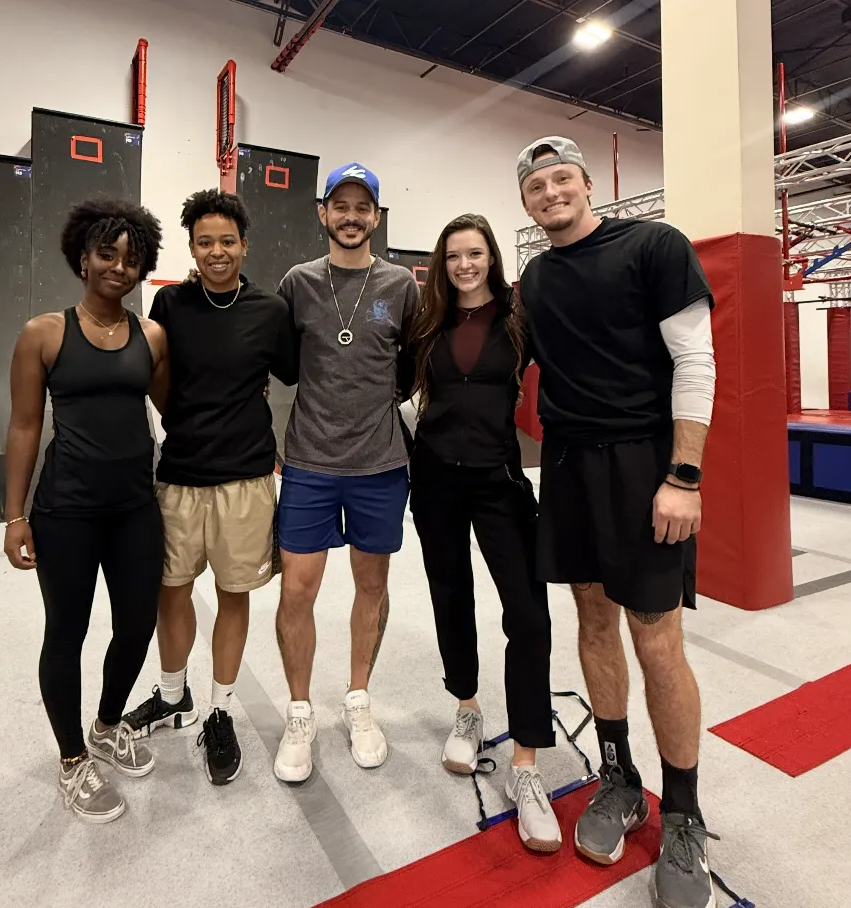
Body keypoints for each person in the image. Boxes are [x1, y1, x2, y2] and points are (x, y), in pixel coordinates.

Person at [517, 136, 719, 908]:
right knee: (593, 619)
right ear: (527, 201)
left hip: (644, 464)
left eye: (562, 178)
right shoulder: (536, 278)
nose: (551, 193)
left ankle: (684, 815)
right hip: (568, 464)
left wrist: (684, 475)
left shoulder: (654, 246)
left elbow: (696, 361)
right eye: (537, 186)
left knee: (656, 636)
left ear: (587, 183)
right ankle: (620, 778)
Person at [121, 189, 298, 786]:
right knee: (170, 590)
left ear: (244, 244)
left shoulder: (270, 310)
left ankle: (221, 710)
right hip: (180, 474)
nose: (217, 251)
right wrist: (183, 424)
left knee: (233, 593)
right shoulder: (170, 304)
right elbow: (157, 377)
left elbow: (295, 372)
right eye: (205, 242)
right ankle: (174, 695)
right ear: (192, 249)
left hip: (246, 478)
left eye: (227, 241)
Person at [3, 198, 167, 824]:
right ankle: (72, 758)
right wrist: (14, 515)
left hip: (135, 509)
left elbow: (178, 409)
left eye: (131, 259)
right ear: (83, 258)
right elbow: (24, 426)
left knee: (137, 625)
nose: (118, 268)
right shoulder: (43, 334)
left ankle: (105, 724)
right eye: (106, 254)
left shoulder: (151, 337)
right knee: (66, 633)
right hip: (66, 512)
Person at [400, 213, 560, 853]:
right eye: (453, 256)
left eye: (474, 253)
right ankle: (466, 708)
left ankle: (527, 764)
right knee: (451, 598)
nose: (464, 265)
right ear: (441, 265)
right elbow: (389, 386)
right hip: (435, 481)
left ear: (491, 257)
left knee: (528, 614)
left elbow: (570, 375)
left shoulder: (519, 321)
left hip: (500, 481)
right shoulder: (428, 323)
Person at [272, 162, 420, 783]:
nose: (352, 217)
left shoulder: (401, 286)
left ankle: (359, 698)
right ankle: (299, 711)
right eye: (342, 206)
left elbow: (412, 368)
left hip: (380, 465)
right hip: (309, 462)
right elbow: (281, 364)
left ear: (376, 217)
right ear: (323, 212)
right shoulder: (298, 283)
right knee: (296, 591)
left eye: (363, 207)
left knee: (371, 587)